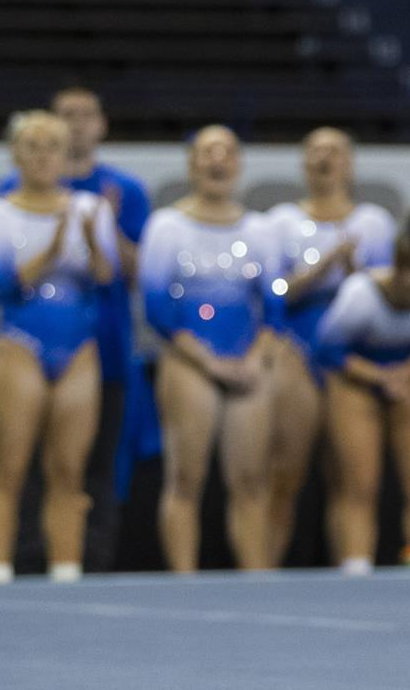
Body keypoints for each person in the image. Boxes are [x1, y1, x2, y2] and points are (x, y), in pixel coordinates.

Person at [0, 82, 151, 572]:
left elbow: (135, 272)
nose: (78, 124)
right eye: (67, 115)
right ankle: (26, 560)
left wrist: (108, 231)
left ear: (101, 125)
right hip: (34, 346)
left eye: (87, 115)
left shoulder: (124, 191)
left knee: (98, 467)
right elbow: (1, 280)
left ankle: (92, 562)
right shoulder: (10, 194)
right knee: (26, 462)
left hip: (105, 347)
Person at [0, 111, 118, 582]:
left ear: (65, 155)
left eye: (51, 147)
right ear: (16, 155)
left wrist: (95, 244)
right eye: (31, 147)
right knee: (8, 470)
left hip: (78, 349)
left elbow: (106, 279)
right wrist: (52, 252)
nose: (41, 156)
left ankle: (66, 572)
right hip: (21, 345)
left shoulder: (91, 209)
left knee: (69, 473)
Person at [139, 126, 284, 571]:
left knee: (252, 483)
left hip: (246, 361)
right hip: (191, 361)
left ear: (239, 165)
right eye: (206, 153)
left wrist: (255, 359)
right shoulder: (167, 227)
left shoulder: (261, 230)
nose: (217, 161)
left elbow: (275, 304)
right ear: (191, 164)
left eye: (226, 153)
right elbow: (158, 308)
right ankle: (185, 583)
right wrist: (208, 362)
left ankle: (257, 582)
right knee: (185, 480)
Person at [263, 128, 395, 565]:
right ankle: (262, 573)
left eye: (334, 151)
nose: (324, 159)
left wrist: (357, 272)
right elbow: (273, 292)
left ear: (349, 164)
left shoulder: (373, 223)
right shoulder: (280, 222)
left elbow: (391, 297)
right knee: (285, 473)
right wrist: (321, 268)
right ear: (303, 165)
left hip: (350, 360)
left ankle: (355, 569)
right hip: (299, 353)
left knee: (351, 479)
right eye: (315, 151)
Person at [316, 210, 410, 572]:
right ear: (396, 269)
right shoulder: (360, 297)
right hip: (355, 378)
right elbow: (325, 351)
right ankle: (355, 569)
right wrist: (381, 377)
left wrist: (408, 373)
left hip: (408, 377)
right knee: (359, 484)